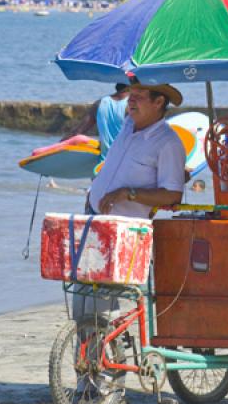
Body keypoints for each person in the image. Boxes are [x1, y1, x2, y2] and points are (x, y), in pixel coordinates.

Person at [75, 81, 186, 321]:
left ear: (158, 103)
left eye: (139, 96)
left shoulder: (168, 143)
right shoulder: (128, 125)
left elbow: (173, 195)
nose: (131, 101)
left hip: (124, 230)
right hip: (95, 215)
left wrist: (128, 193)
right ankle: (85, 354)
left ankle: (101, 354)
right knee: (81, 295)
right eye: (131, 95)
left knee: (102, 306)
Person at [63, 83, 129, 158]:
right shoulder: (133, 106)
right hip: (125, 164)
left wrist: (55, 148)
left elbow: (77, 131)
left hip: (103, 164)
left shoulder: (100, 103)